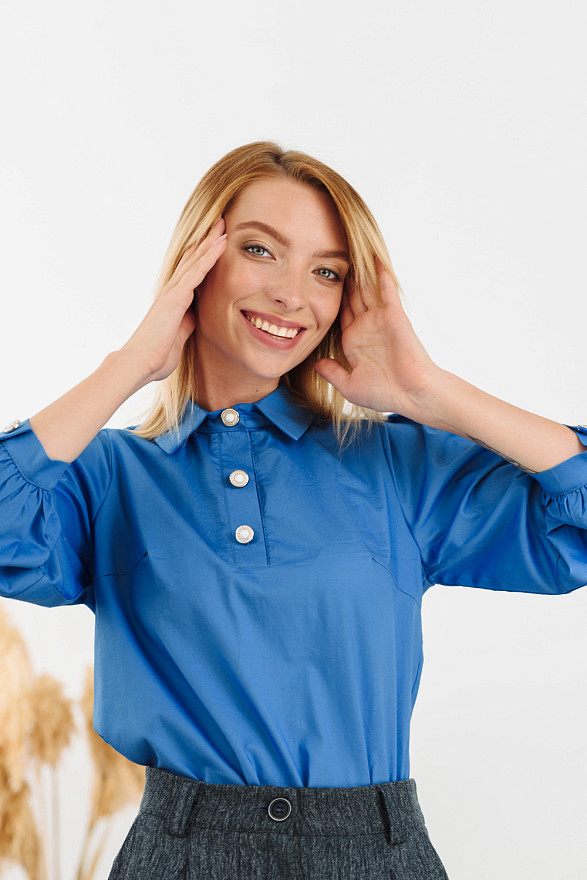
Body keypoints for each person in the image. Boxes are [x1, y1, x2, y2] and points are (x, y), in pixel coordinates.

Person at [1, 141, 586, 880]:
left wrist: (428, 391)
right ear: (196, 262)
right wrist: (132, 364)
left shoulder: (393, 466)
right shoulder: (110, 475)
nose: (291, 293)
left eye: (326, 272)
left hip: (375, 856)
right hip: (182, 857)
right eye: (258, 250)